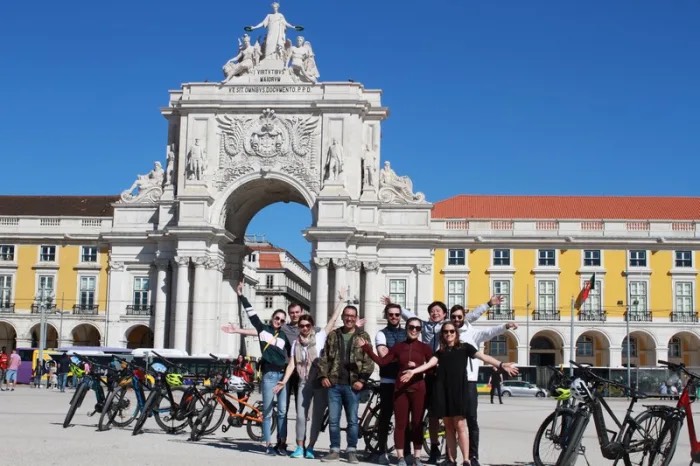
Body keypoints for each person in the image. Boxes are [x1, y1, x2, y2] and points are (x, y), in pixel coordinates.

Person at [398, 296, 501, 464]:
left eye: (451, 331)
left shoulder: (463, 344)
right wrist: (414, 370)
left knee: (461, 424)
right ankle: (443, 454)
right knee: (439, 420)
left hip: (458, 386)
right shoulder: (431, 337)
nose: (448, 333)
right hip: (437, 382)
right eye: (446, 332)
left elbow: (483, 353)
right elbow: (411, 320)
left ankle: (467, 458)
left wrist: (501, 364)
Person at [273, 289, 348, 459]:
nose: (305, 328)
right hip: (303, 382)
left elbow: (332, 321)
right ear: (299, 327)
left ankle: (311, 447)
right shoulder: (295, 344)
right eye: (302, 326)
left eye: (307, 325)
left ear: (312, 326)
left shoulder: (320, 336)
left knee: (316, 417)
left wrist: (341, 301)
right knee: (300, 416)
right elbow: (292, 363)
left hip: (319, 383)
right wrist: (284, 381)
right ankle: (299, 447)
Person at [222, 282, 291, 456]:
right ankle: (268, 444)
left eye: (282, 320)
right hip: (268, 375)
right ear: (273, 318)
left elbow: (294, 354)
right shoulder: (263, 329)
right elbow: (252, 314)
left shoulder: (285, 336)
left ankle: (281, 444)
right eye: (277, 319)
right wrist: (241, 295)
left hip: (283, 376)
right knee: (266, 412)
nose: (279, 322)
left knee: (282, 412)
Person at [357, 317, 433, 466]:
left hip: (419, 389)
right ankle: (400, 457)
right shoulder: (398, 347)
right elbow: (382, 362)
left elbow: (432, 369)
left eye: (417, 328)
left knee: (417, 423)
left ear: (420, 331)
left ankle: (417, 457)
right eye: (411, 327)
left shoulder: (425, 348)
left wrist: (417, 365)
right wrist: (367, 348)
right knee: (401, 424)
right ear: (406, 328)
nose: (414, 330)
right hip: (400, 390)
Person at [449, 303, 513, 466]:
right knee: (451, 422)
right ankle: (450, 458)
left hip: (469, 382)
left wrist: (504, 326)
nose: (456, 320)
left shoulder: (473, 333)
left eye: (459, 317)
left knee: (471, 420)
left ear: (464, 317)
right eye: (454, 317)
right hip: (451, 383)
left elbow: (489, 332)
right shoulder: (446, 333)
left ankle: (473, 456)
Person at [317, 305, 375, 464]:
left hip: (353, 385)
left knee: (352, 421)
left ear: (356, 318)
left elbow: (369, 361)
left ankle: (351, 451)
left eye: (352, 316)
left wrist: (361, 380)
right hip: (334, 384)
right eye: (347, 315)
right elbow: (324, 357)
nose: (349, 318)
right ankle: (334, 449)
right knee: (334, 420)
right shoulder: (333, 335)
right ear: (343, 317)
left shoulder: (363, 336)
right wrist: (323, 376)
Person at [368, 301, 407, 465]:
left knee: (403, 419)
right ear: (386, 316)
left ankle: (404, 453)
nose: (394, 317)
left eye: (397, 314)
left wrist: (397, 355)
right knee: (385, 417)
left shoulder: (407, 332)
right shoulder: (381, 334)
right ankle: (382, 451)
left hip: (403, 381)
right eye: (391, 314)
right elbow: (383, 355)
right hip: (388, 381)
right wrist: (404, 356)